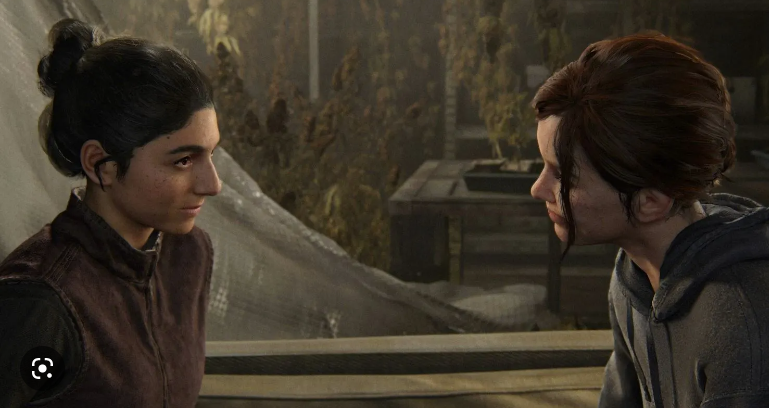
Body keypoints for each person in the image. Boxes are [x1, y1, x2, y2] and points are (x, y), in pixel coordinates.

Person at [530, 32, 769, 407]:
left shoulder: (739, 321)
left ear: (651, 202)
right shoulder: (633, 277)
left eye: (564, 176)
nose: (537, 189)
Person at [0, 18, 221, 407]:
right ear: (100, 164)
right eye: (184, 161)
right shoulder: (42, 301)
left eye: (211, 153)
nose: (212, 184)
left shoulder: (189, 254)